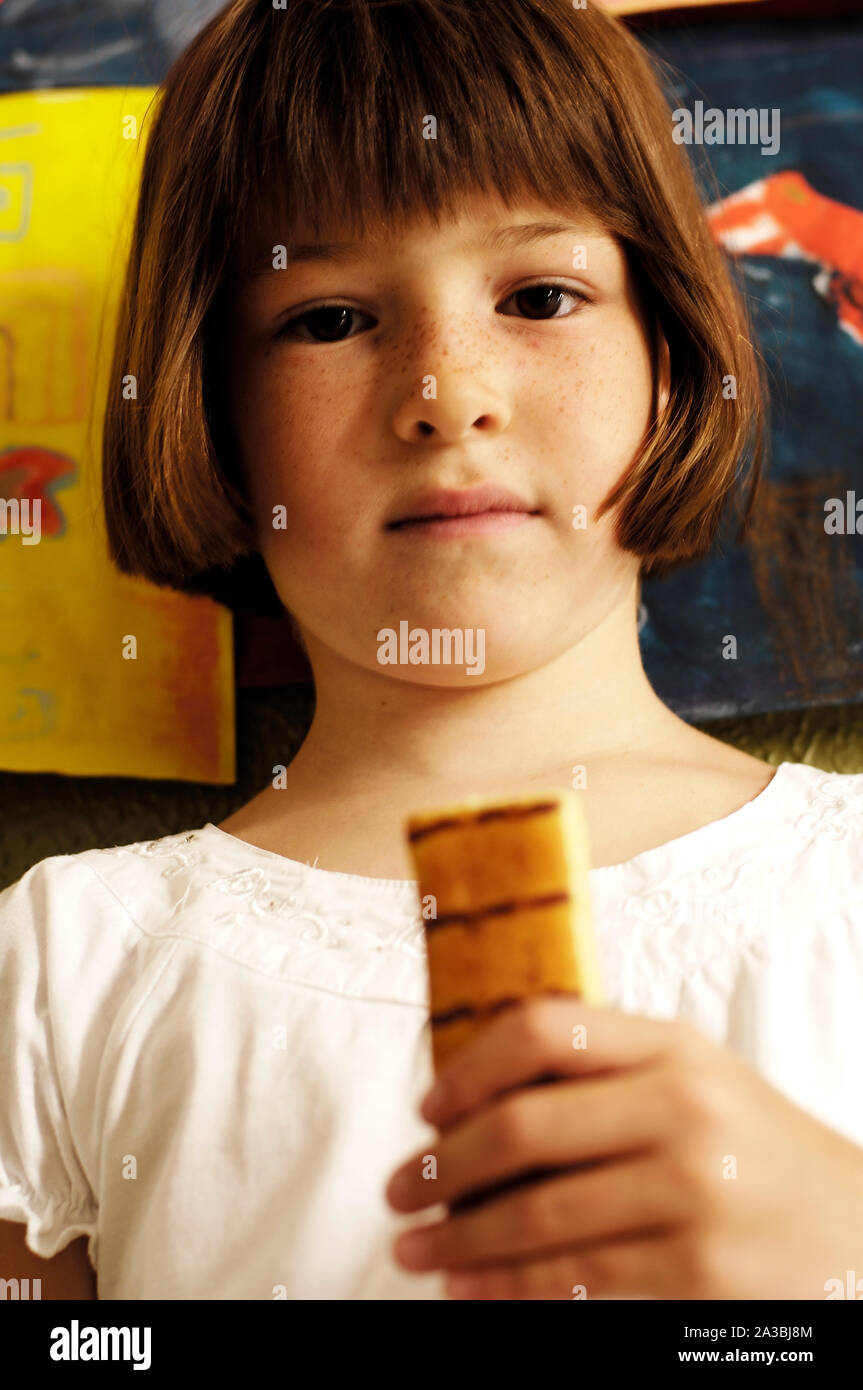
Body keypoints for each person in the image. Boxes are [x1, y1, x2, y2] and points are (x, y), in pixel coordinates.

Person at [1, 0, 861, 1301]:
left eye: (541, 295)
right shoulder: (66, 966)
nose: (448, 391)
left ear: (674, 362)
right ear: (216, 416)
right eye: (331, 319)